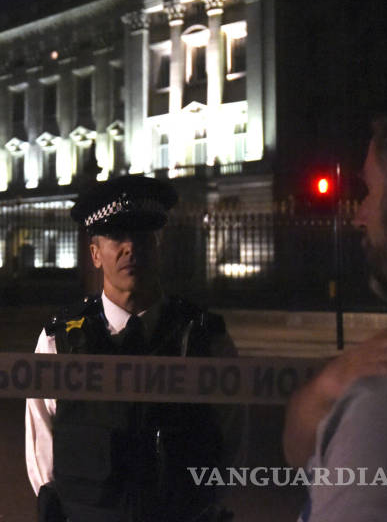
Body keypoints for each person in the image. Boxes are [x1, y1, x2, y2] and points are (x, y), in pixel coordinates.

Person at [25, 175, 235, 522]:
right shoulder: (58, 340)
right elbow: (43, 447)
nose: (130, 248)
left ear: (157, 245)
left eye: (141, 236)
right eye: (117, 236)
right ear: (94, 253)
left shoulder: (205, 337)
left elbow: (230, 440)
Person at [283, 91, 387, 521]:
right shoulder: (385, 370)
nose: (359, 215)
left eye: (370, 191)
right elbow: (300, 455)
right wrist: (332, 381)